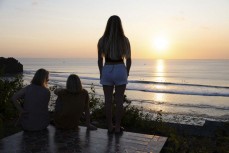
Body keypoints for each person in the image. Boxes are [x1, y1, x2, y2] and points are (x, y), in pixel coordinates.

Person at [97, 15, 131, 134]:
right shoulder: (124, 40)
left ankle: (110, 127)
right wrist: (126, 73)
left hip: (107, 68)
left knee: (108, 101)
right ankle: (117, 127)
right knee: (119, 100)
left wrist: (102, 72)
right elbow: (129, 59)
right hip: (120, 68)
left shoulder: (102, 40)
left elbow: (100, 60)